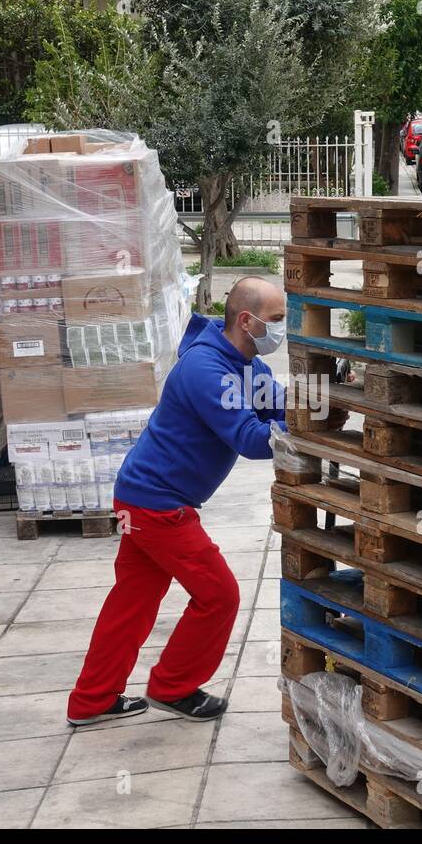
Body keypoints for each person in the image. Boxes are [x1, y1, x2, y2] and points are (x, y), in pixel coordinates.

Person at [66, 277, 287, 726]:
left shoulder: (249, 368)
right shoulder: (207, 370)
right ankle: (174, 686)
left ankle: (91, 700)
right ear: (247, 320)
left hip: (141, 497)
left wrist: (323, 403)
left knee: (133, 601)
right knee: (219, 595)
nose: (283, 329)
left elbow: (278, 409)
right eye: (278, 320)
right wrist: (298, 433)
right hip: (156, 505)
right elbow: (249, 438)